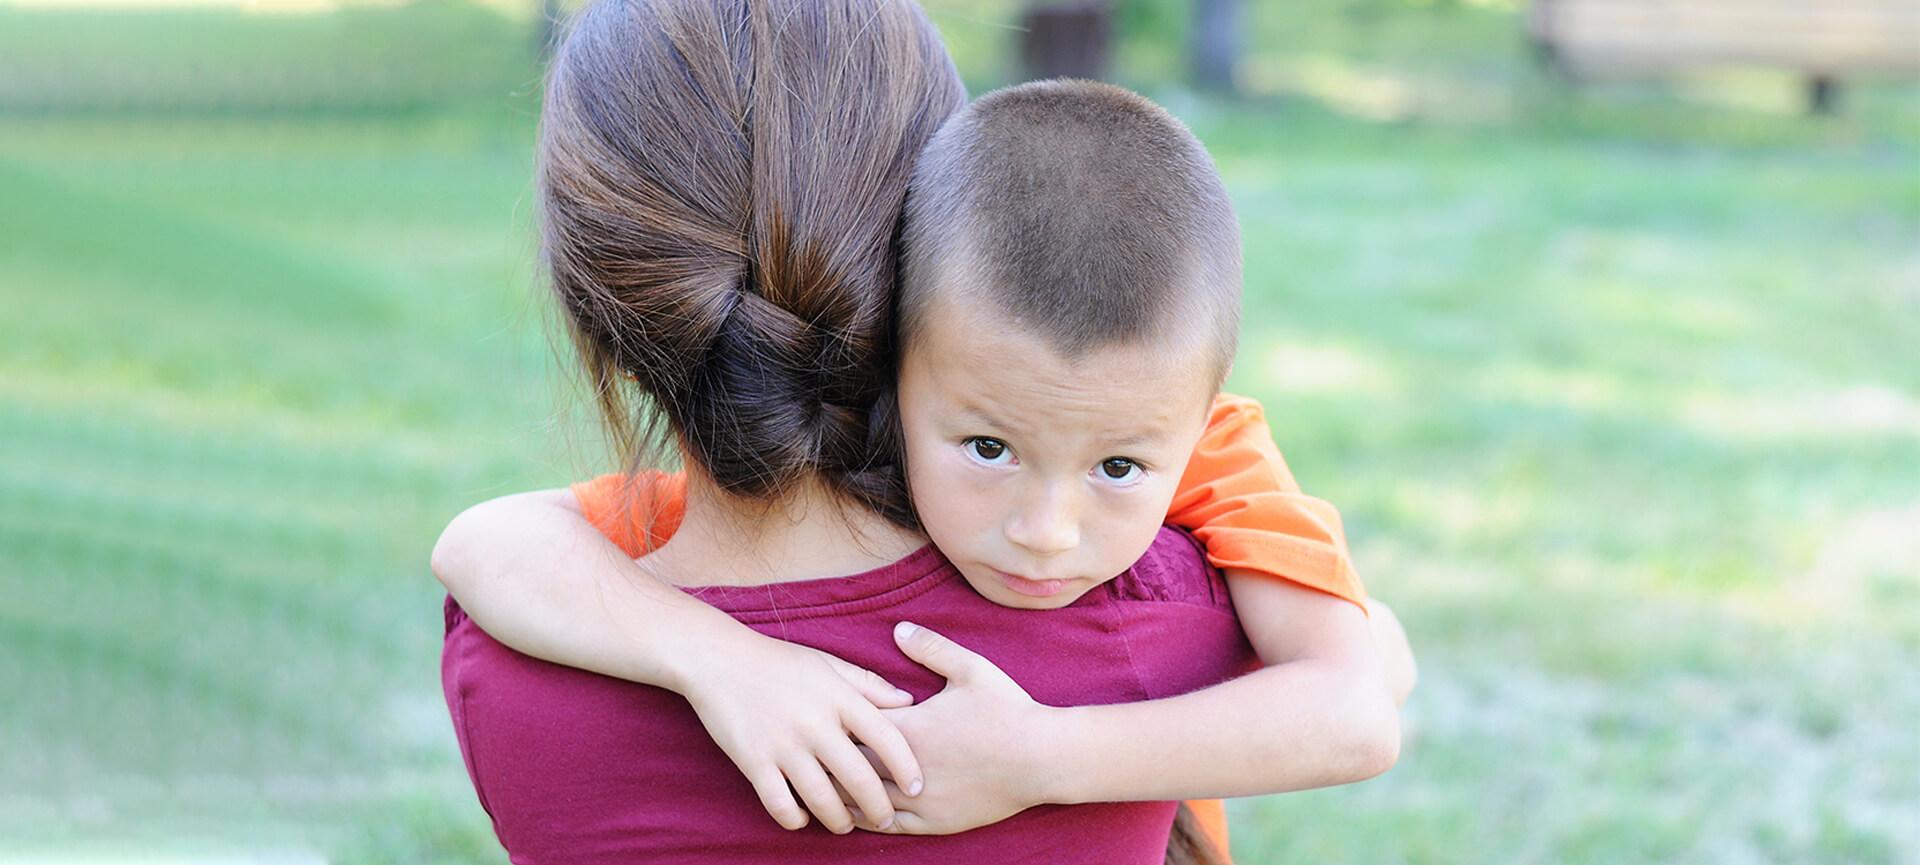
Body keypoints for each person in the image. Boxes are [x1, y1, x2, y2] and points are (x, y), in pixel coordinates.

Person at [438, 1, 1412, 862]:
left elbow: (1359, 687)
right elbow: (1370, 665)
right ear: (904, 260)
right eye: (990, 450)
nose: (1046, 529)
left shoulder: (515, 675)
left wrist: (1038, 755)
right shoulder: (1182, 620)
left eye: (1118, 468)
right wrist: (724, 662)